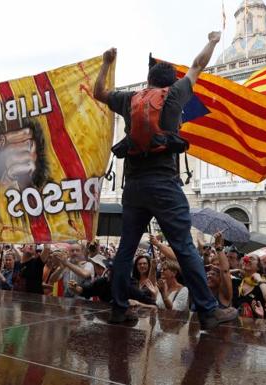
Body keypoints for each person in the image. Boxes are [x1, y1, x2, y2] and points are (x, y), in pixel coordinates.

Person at [93, 31, 238, 328]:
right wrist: (211, 41)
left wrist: (107, 63)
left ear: (148, 81)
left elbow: (98, 92)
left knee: (126, 248)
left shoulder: (128, 99)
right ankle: (209, 312)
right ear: (171, 82)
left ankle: (119, 308)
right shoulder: (174, 95)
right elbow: (198, 64)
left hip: (133, 186)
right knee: (184, 246)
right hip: (163, 184)